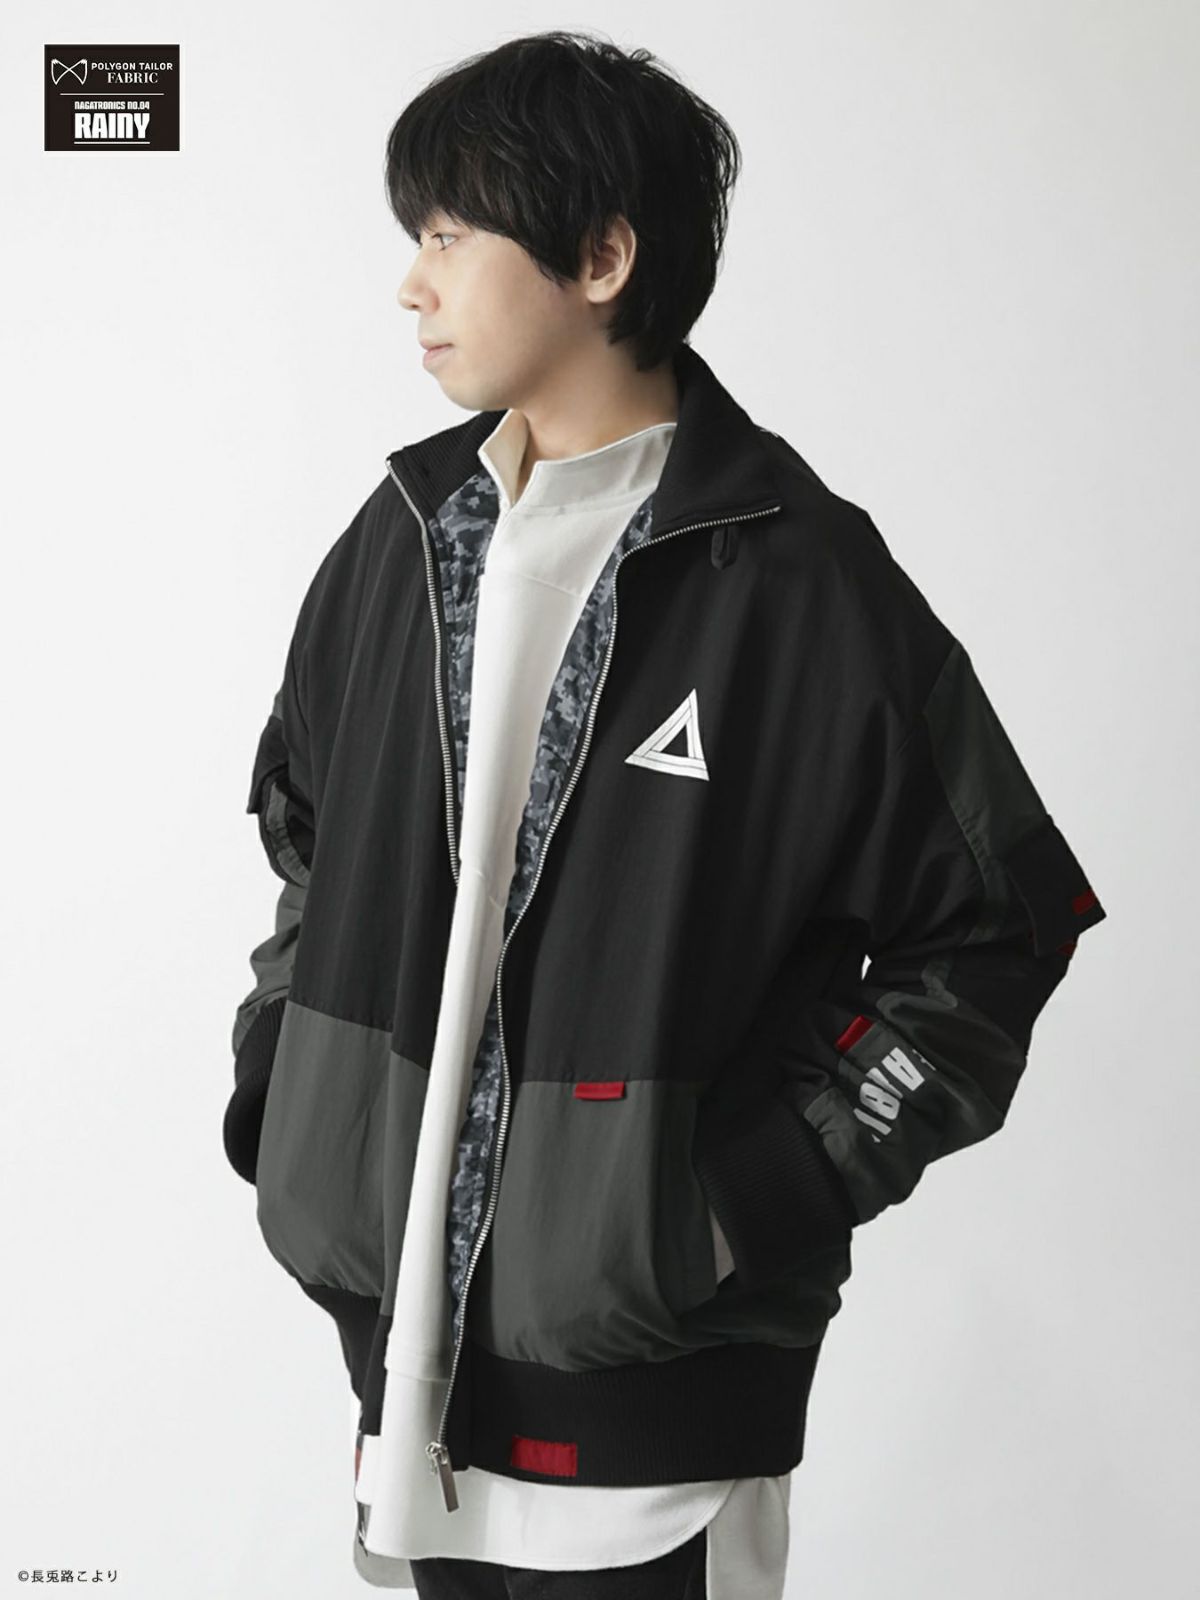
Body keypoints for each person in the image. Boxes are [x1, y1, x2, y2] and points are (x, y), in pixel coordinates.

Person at [222, 29, 1108, 1600]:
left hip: (656, 1431)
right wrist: (281, 1074)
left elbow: (994, 928)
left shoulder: (801, 584)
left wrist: (750, 1195)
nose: (411, 285)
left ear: (602, 258)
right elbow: (307, 834)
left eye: (449, 235)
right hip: (404, 1394)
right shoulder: (407, 535)